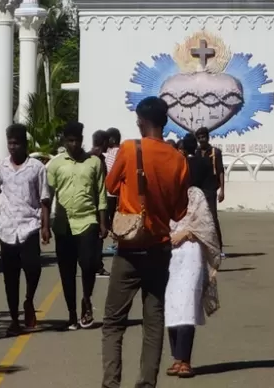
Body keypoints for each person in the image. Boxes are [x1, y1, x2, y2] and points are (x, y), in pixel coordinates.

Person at [102, 96, 190, 388]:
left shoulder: (129, 148)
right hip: (159, 247)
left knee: (114, 323)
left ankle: (111, 383)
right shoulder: (178, 159)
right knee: (154, 321)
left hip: (129, 248)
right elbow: (179, 211)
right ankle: (146, 384)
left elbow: (111, 185)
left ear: (142, 120)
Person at [0, 123, 51, 337]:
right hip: (6, 227)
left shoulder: (37, 168)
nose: (12, 147)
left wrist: (45, 226)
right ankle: (14, 319)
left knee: (33, 268)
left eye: (17, 143)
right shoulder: (2, 166)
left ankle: (29, 300)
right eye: (10, 143)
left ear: (25, 144)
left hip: (29, 225)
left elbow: (44, 198)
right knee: (10, 276)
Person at [46, 121, 108, 330]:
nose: (74, 144)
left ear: (83, 140)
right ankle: (72, 313)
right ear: (65, 141)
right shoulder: (55, 164)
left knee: (89, 264)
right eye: (70, 140)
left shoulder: (94, 163)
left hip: (88, 220)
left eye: (77, 140)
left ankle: (87, 299)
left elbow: (100, 193)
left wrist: (102, 221)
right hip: (63, 225)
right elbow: (48, 196)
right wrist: (45, 225)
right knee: (67, 270)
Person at [164, 185, 221, 379]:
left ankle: (185, 359)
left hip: (191, 252)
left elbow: (206, 225)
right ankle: (177, 358)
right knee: (170, 305)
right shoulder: (161, 188)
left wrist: (187, 233)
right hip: (167, 252)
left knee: (187, 304)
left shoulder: (194, 193)